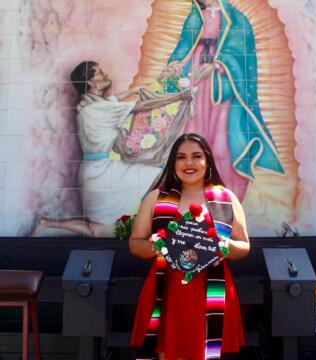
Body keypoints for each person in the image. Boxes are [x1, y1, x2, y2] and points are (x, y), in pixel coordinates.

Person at [31, 61, 192, 237]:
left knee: (97, 230)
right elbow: (143, 106)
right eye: (100, 73)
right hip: (102, 175)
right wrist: (180, 97)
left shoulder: (89, 106)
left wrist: (131, 92)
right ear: (91, 82)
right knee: (100, 230)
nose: (106, 75)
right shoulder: (100, 109)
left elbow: (111, 101)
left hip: (96, 171)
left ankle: (45, 223)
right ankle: (165, 224)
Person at [129, 133, 250, 360]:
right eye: (181, 157)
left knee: (207, 353)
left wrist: (226, 245)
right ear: (173, 162)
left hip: (211, 291)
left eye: (197, 156)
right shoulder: (157, 198)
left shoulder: (225, 198)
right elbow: (135, 244)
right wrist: (152, 246)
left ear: (207, 161)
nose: (189, 163)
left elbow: (244, 246)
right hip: (167, 292)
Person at [159, 0, 285, 201]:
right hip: (197, 81)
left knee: (223, 144)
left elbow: (243, 55)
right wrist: (174, 65)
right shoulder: (194, 17)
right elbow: (184, 45)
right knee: (194, 135)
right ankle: (192, 198)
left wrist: (219, 64)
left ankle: (224, 199)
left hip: (223, 87)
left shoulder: (236, 20)